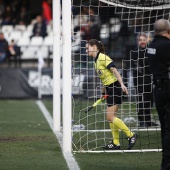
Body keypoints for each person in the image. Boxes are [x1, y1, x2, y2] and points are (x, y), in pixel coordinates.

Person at [86, 39, 138, 150]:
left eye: (88, 48)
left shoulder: (103, 57)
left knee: (109, 117)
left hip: (115, 87)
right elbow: (104, 79)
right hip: (110, 89)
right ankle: (116, 143)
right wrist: (103, 93)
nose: (86, 50)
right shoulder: (95, 61)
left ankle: (131, 135)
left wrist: (122, 84)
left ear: (95, 47)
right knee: (111, 117)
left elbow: (115, 71)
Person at [147, 19, 170, 170]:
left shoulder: (151, 46)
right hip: (168, 89)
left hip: (158, 90)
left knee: (165, 127)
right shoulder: (167, 45)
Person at [131, 32, 158, 128]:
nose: (142, 41)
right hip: (139, 79)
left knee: (149, 100)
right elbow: (141, 66)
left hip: (148, 79)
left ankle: (148, 120)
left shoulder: (150, 50)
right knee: (141, 100)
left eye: (144, 39)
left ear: (147, 40)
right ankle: (142, 121)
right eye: (140, 40)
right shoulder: (135, 52)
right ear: (137, 41)